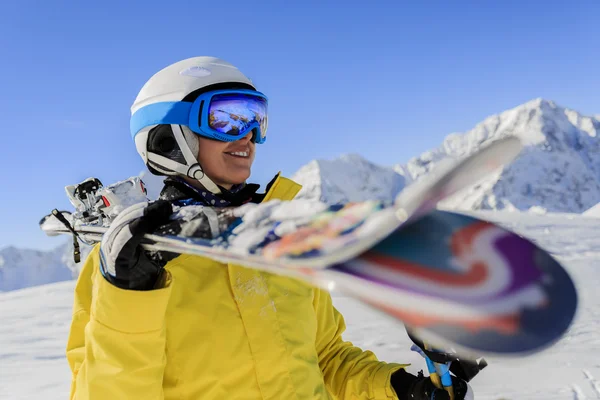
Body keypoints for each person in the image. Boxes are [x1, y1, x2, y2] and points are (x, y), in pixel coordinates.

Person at [65, 56, 468, 400]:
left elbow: (325, 358)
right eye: (228, 118)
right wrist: (128, 296)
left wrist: (396, 388)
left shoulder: (281, 240)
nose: (249, 136)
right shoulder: (125, 266)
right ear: (169, 138)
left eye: (256, 119)